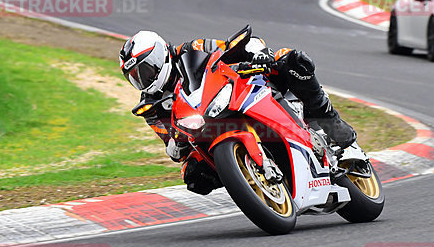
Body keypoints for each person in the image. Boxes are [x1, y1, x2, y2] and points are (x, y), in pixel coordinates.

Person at [118, 30, 357, 194]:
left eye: (145, 71)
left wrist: (258, 55)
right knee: (194, 178)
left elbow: (233, 47)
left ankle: (331, 122)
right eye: (135, 78)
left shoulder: (192, 49)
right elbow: (170, 143)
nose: (143, 80)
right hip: (206, 127)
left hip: (238, 91)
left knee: (292, 60)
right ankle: (246, 176)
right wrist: (175, 146)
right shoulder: (150, 106)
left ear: (159, 57)